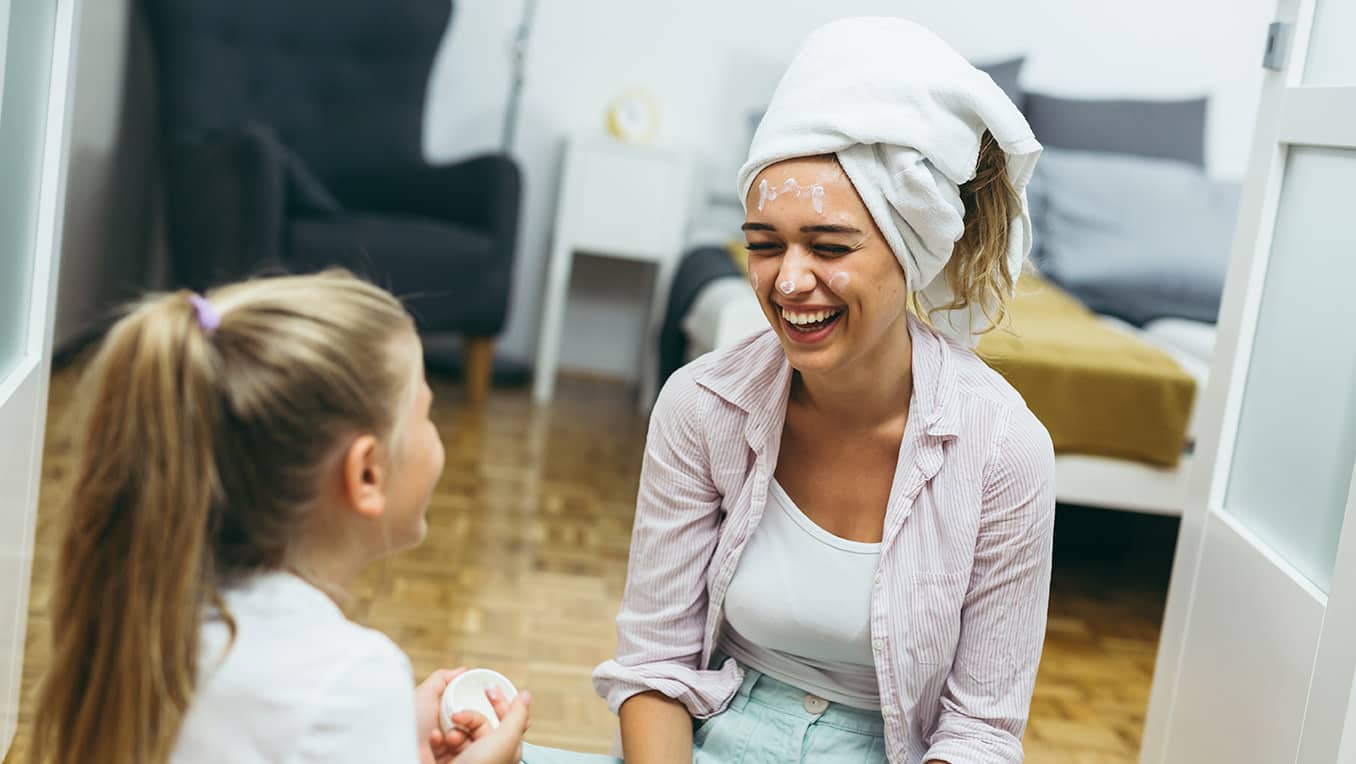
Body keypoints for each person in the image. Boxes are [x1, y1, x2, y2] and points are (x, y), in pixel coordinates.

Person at [589, 17, 1055, 764]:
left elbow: (978, 734)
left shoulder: (1002, 450)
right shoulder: (701, 407)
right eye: (764, 244)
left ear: (909, 253)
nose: (789, 281)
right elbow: (655, 668)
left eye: (830, 246)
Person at [31, 270, 531, 764]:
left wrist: (390, 731)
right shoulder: (352, 680)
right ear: (367, 474)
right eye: (426, 414)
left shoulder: (149, 606)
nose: (435, 433)